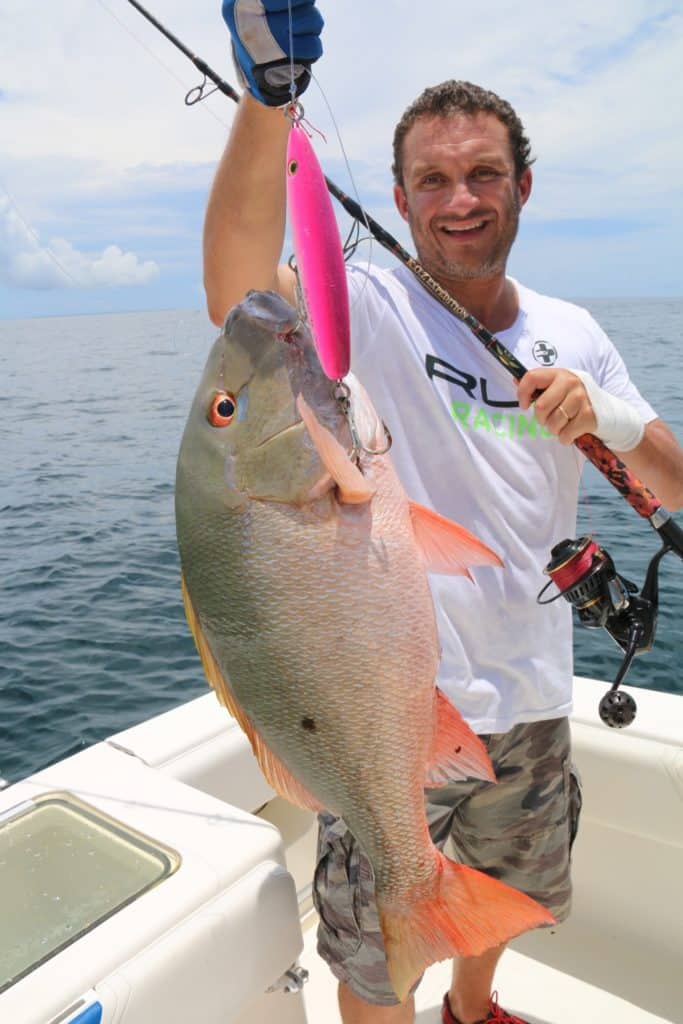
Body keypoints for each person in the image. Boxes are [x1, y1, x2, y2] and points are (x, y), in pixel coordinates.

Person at [204, 4, 683, 1022]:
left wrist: (610, 418)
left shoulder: (573, 331)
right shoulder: (361, 313)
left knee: (511, 900)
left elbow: (674, 486)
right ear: (396, 196)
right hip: (380, 713)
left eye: (481, 175)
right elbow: (238, 293)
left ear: (521, 186)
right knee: (372, 955)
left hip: (532, 700)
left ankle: (474, 1006)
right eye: (431, 178)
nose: (458, 198)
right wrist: (264, 101)